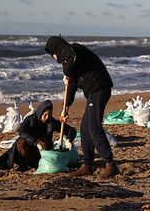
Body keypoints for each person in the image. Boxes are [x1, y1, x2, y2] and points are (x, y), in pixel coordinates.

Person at [44, 36, 117, 178]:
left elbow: (72, 60)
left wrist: (66, 73)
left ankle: (110, 164)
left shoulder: (72, 50)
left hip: (99, 88)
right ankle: (87, 165)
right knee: (84, 129)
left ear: (56, 49)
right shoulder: (70, 61)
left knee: (94, 128)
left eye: (52, 54)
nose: (53, 58)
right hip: (93, 92)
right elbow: (71, 87)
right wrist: (66, 107)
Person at [0, 99, 76, 172]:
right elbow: (22, 132)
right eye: (45, 115)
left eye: (49, 115)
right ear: (40, 113)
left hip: (41, 153)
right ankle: (24, 164)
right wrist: (36, 143)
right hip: (27, 149)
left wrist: (69, 140)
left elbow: (71, 130)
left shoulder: (51, 122)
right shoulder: (30, 120)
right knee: (21, 142)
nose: (47, 117)